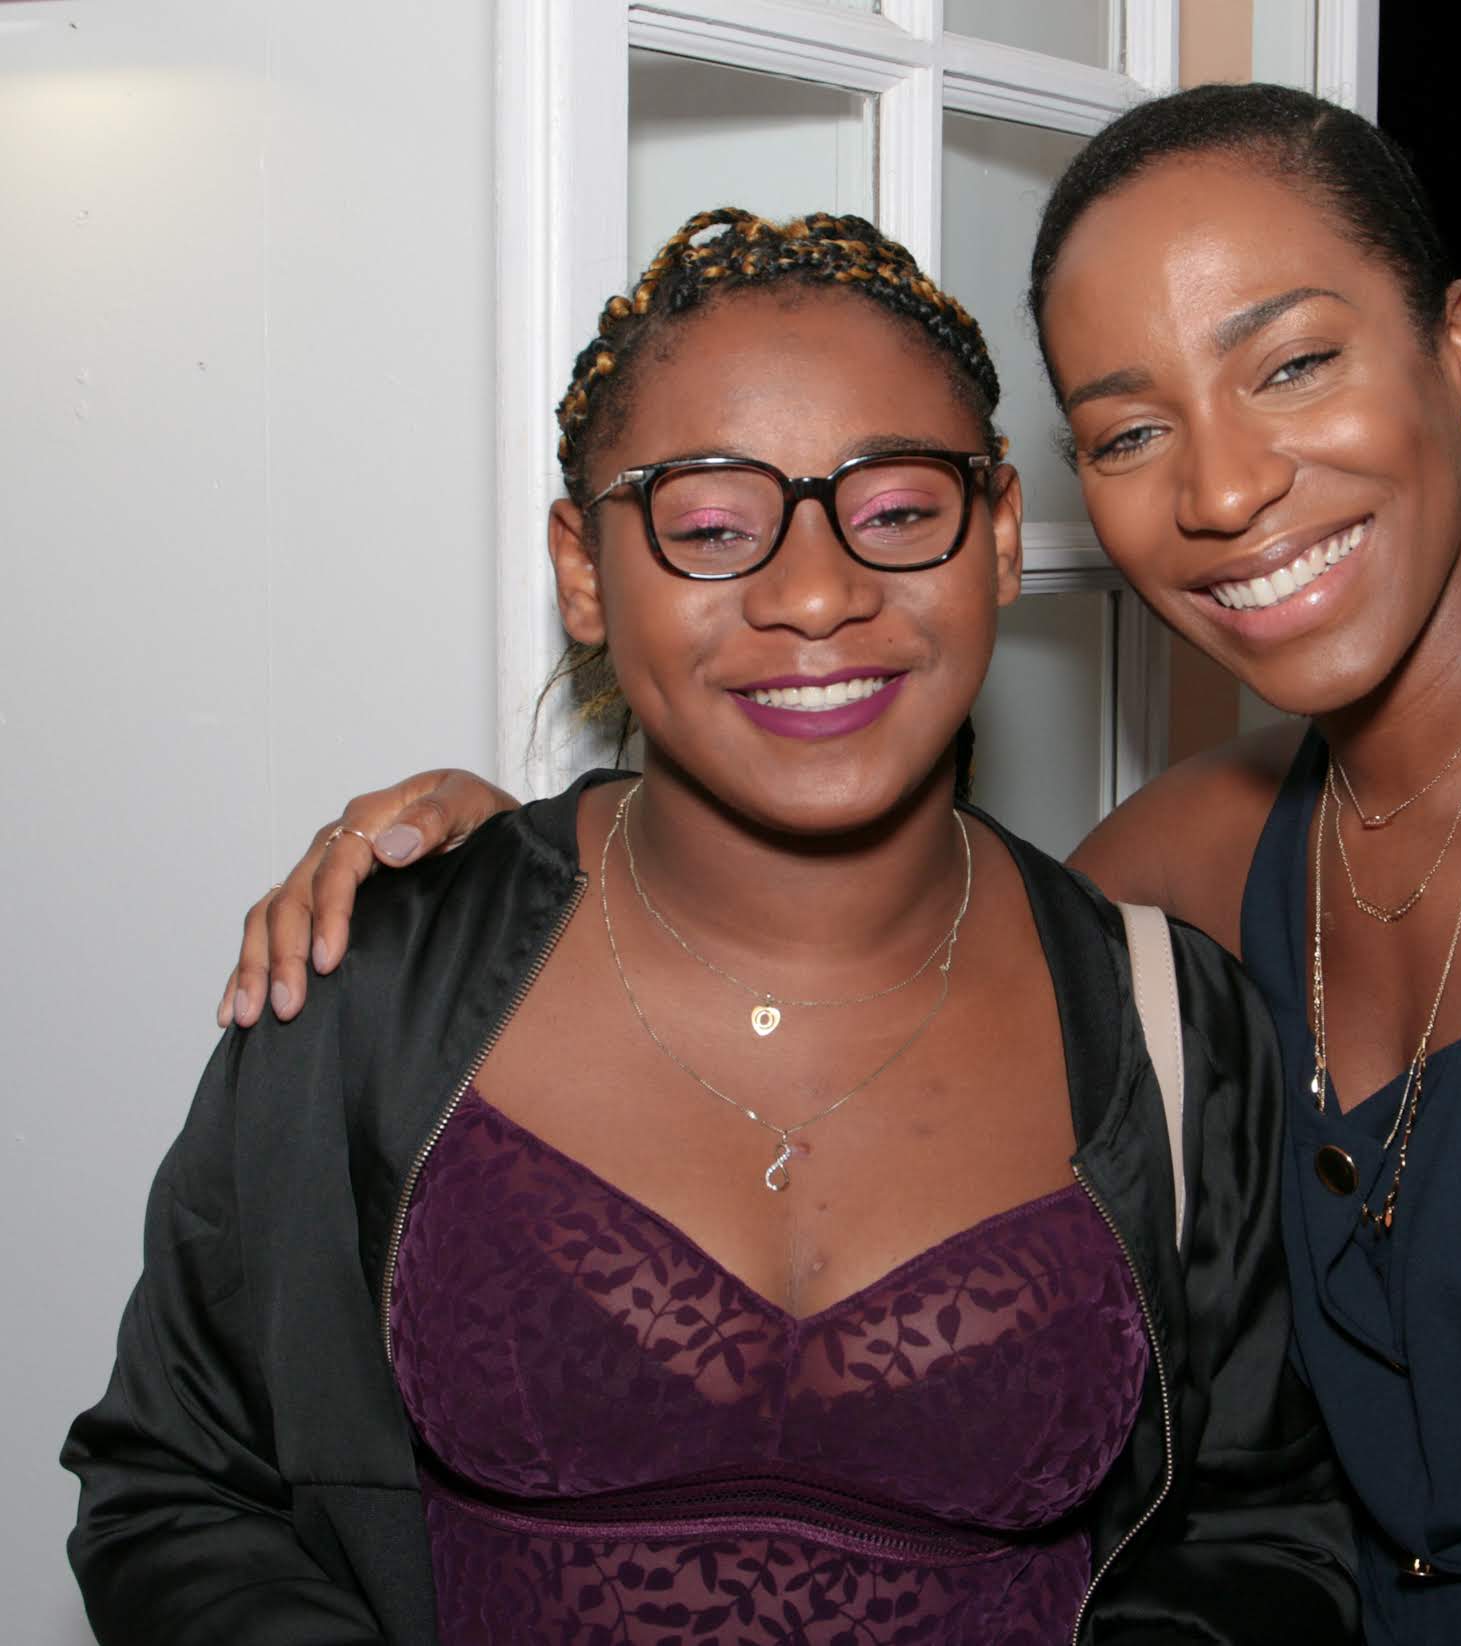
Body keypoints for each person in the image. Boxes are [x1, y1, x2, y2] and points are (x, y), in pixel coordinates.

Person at [216, 86, 1461, 1643]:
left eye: (1292, 364)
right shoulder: (1190, 860)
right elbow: (895, 940)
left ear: (1460, 346)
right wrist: (528, 854)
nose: (1220, 489)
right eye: (1133, 431)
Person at [64, 209, 1356, 1646]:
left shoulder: (1174, 1029)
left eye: (896, 510)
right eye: (710, 527)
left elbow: (1260, 1532)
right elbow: (179, 1486)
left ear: (997, 535)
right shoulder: (376, 977)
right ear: (583, 570)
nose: (816, 593)